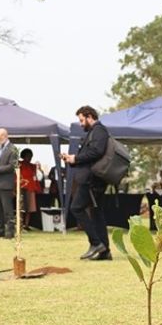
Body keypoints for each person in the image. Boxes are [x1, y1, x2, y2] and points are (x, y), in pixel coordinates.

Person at [62, 105, 112, 260]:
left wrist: (75, 158)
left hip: (92, 181)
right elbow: (91, 154)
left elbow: (96, 152)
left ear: (90, 116)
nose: (81, 123)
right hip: (93, 179)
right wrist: (72, 160)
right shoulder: (95, 131)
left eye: (82, 120)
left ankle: (96, 243)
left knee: (76, 208)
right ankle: (105, 252)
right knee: (97, 214)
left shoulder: (99, 131)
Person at [19, 148, 43, 230]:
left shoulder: (33, 166)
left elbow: (35, 178)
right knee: (21, 207)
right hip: (22, 188)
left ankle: (27, 225)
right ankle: (20, 224)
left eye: (31, 156)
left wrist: (38, 188)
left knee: (29, 208)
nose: (29, 158)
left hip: (31, 189)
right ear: (24, 156)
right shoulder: (19, 164)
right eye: (28, 156)